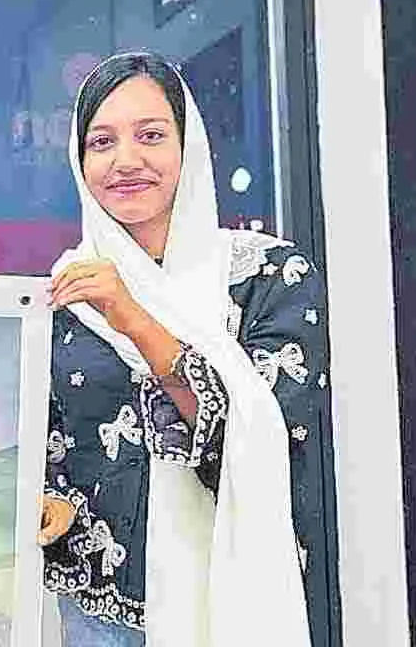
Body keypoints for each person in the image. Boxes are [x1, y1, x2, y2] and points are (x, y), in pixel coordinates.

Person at [38, 52, 330, 647]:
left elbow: (264, 437)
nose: (126, 160)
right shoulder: (64, 295)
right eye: (102, 141)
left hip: (232, 601)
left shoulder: (269, 277)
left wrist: (134, 319)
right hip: (97, 621)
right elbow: (49, 444)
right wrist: (48, 500)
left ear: (188, 145)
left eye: (150, 136)